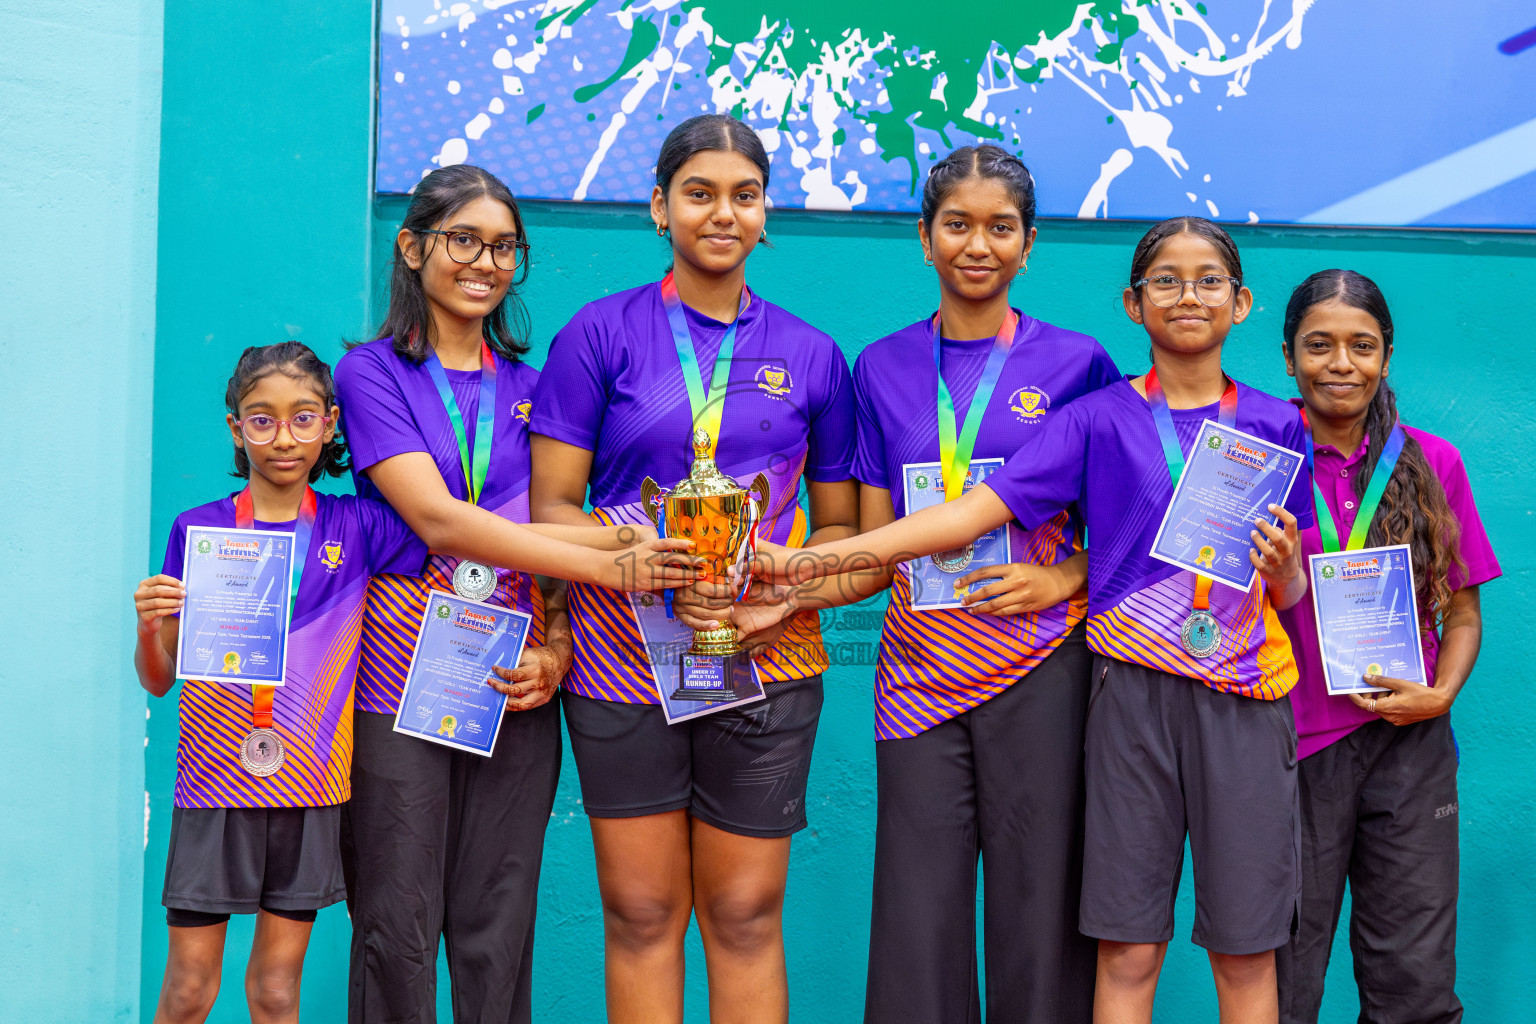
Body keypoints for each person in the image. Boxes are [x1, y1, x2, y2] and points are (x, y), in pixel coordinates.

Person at [756, 217, 1314, 1024]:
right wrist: (813, 567)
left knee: (1244, 944)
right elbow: (973, 511)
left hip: (1237, 700)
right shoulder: (1097, 418)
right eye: (1165, 280)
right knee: (1124, 944)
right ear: (1133, 303)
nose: (1187, 296)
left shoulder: (1273, 424)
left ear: (1242, 302)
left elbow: (1290, 594)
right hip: (1122, 698)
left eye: (1208, 281)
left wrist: (1286, 573)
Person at [334, 164, 697, 1024]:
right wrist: (612, 556)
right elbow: (443, 522)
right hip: (399, 686)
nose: (485, 263)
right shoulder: (372, 375)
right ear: (413, 246)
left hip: (517, 684)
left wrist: (561, 644)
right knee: (397, 921)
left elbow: (550, 527)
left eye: (504, 248)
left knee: (499, 925)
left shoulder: (536, 389)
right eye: (463, 240)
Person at [528, 114, 858, 1023]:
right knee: (639, 911)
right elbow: (547, 510)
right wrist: (634, 552)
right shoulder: (599, 335)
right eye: (700, 194)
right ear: (659, 208)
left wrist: (784, 576)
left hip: (763, 655)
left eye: (743, 196)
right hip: (617, 658)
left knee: (746, 912)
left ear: (764, 215)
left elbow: (839, 528)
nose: (722, 214)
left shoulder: (812, 354)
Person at [838, 144, 1117, 1023]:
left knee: (1041, 904)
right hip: (917, 672)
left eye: (1001, 227)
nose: (978, 245)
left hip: (1042, 661)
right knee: (917, 912)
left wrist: (1061, 580)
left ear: (1029, 244)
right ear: (925, 238)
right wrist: (787, 581)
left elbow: (1123, 528)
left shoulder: (1080, 366)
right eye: (957, 224)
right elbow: (878, 537)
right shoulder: (879, 367)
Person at [133, 342, 428, 1024]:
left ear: (330, 424)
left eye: (303, 418)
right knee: (188, 992)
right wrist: (151, 628)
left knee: (273, 992)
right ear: (236, 429)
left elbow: (447, 524)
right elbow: (157, 681)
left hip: (310, 788)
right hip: (213, 792)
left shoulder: (362, 526)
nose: (284, 437)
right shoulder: (200, 529)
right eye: (261, 420)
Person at [1273, 270, 1500, 1024]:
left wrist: (1440, 695)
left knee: (1415, 982)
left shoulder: (1433, 463)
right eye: (1319, 345)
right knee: (1280, 976)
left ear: (1387, 356)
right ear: (1287, 357)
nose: (1341, 363)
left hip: (1409, 744)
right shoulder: (1257, 461)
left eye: (1361, 346)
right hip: (1289, 745)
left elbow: (1462, 615)